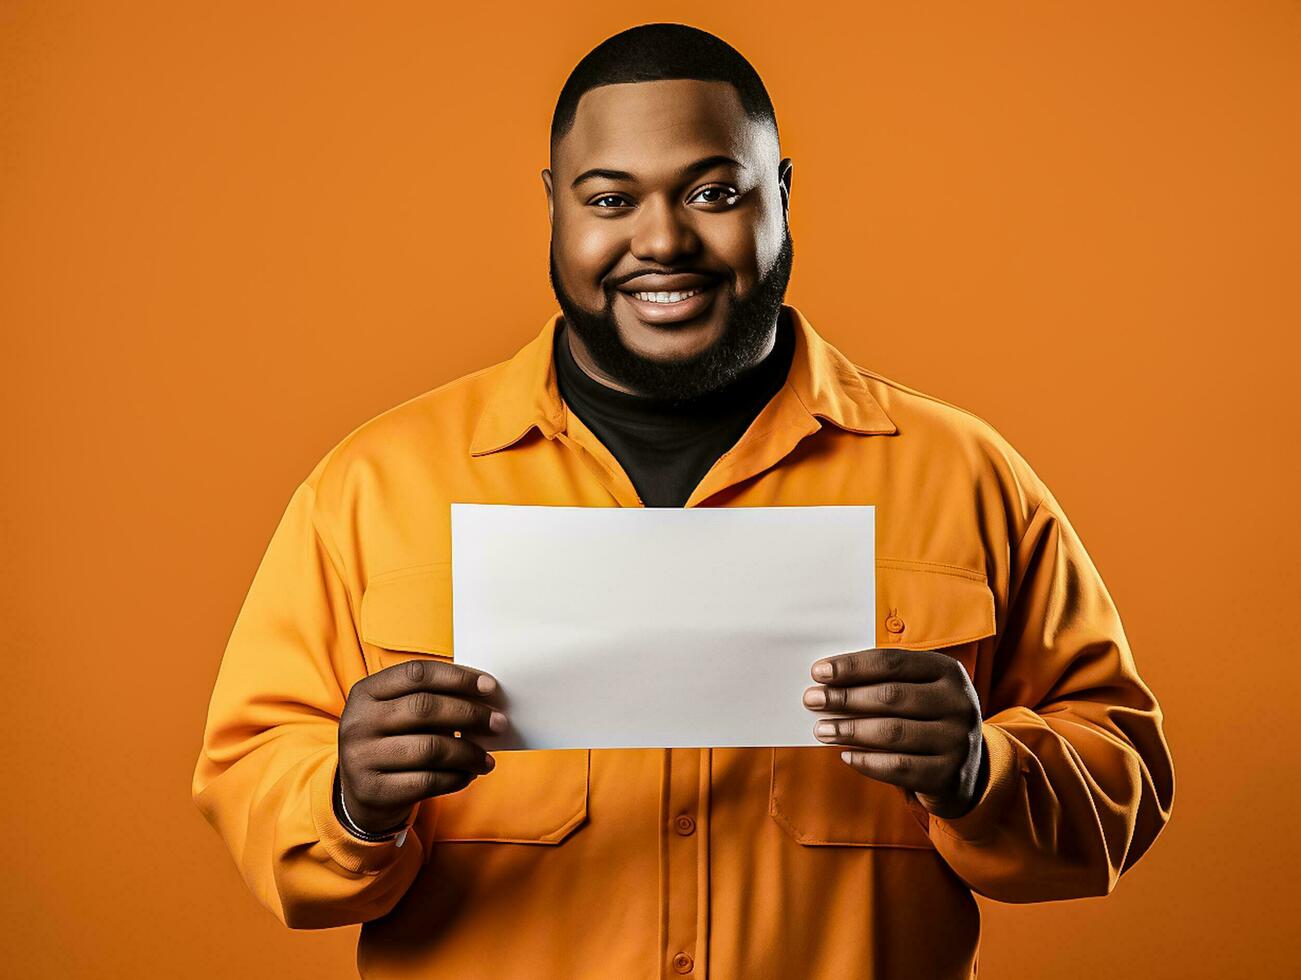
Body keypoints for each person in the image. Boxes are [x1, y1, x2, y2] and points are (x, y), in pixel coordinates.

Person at [192, 22, 1174, 979]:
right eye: (610, 198)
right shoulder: (371, 486)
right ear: (552, 207)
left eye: (712, 191)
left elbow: (1121, 775)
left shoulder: (965, 476)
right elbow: (251, 779)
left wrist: (979, 770)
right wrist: (349, 799)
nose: (660, 240)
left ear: (780, 194)